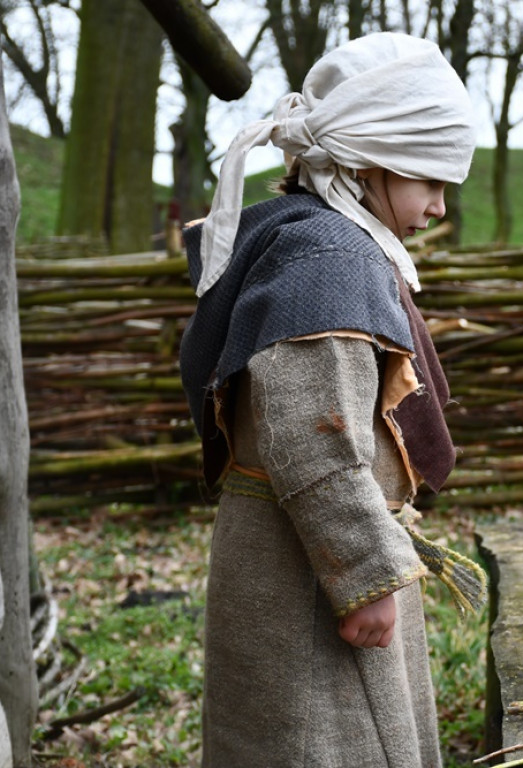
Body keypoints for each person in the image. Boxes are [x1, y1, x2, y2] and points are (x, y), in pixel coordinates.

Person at [178, 32, 481, 767]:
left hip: (299, 553)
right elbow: (314, 434)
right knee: (324, 744)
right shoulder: (329, 259)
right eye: (429, 182)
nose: (439, 208)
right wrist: (364, 574)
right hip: (305, 569)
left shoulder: (308, 238)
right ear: (367, 161)